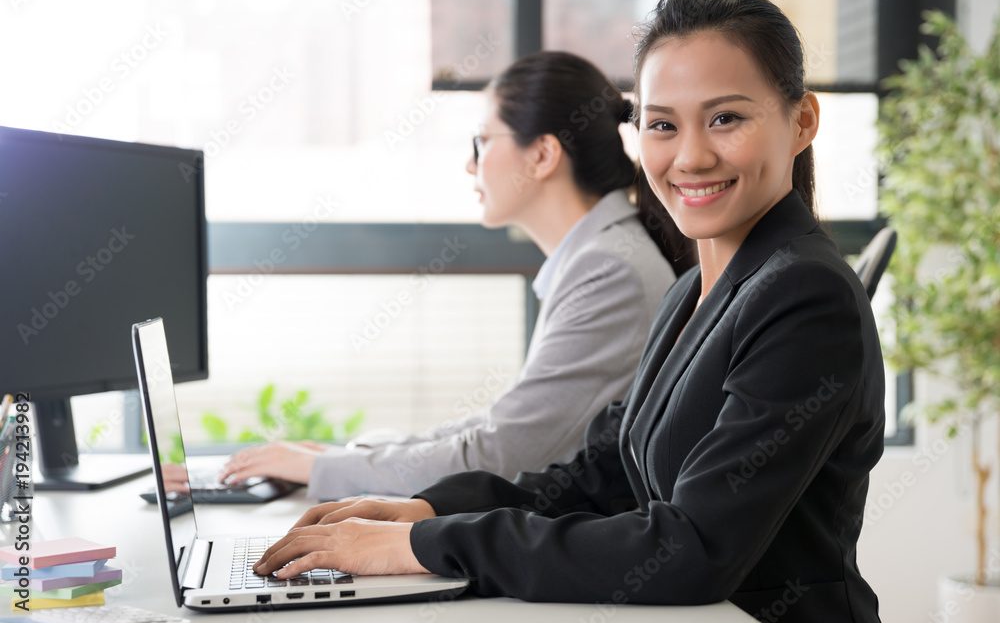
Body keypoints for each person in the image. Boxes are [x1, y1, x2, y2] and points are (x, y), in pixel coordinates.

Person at [252, 0, 885, 623]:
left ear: (802, 121)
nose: (690, 156)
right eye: (663, 124)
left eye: (725, 118)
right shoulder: (692, 290)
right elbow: (603, 472)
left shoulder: (805, 295)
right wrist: (429, 511)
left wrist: (428, 547)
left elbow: (694, 547)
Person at [219, 51, 694, 500]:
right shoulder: (601, 255)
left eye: (482, 141)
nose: (471, 163)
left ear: (542, 156)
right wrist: (351, 459)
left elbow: (501, 453)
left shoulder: (608, 269)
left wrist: (325, 470)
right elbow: (497, 426)